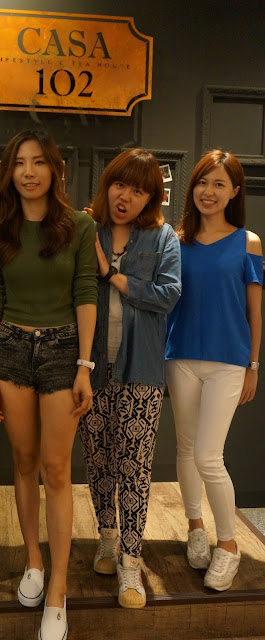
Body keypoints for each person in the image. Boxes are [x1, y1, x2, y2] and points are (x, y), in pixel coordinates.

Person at [0, 129, 97, 640]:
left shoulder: (79, 226)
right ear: (10, 173)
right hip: (9, 349)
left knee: (57, 469)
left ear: (54, 169)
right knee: (24, 461)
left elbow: (86, 292)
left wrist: (84, 365)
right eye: (19, 163)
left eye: (38, 162)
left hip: (62, 351)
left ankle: (58, 590)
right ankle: (33, 560)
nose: (29, 172)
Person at [78, 148, 181, 609]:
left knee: (135, 467)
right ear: (107, 185)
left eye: (138, 190)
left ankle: (131, 561)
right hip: (91, 367)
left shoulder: (163, 237)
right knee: (98, 457)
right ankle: (107, 536)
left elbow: (169, 295)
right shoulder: (88, 230)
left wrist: (113, 275)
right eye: (120, 184)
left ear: (151, 198)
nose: (126, 196)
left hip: (142, 369)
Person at [166, 150, 262, 591]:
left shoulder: (248, 242)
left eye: (219, 184)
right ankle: (195, 526)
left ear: (234, 192)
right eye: (203, 182)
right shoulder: (175, 239)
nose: (209, 191)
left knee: (208, 455)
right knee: (186, 449)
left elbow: (254, 311)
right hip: (181, 355)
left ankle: (229, 545)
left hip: (229, 361)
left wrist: (253, 365)